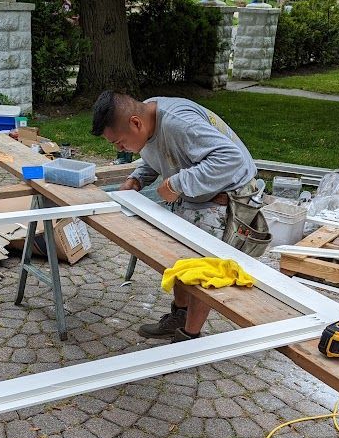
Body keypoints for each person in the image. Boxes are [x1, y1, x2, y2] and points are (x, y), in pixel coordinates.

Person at [91, 90, 258, 343]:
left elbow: (230, 159)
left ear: (135, 123)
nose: (120, 148)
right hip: (195, 195)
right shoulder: (146, 120)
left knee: (202, 269)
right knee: (180, 259)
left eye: (118, 142)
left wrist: (178, 183)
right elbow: (156, 153)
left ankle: (188, 337)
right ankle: (179, 317)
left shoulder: (180, 124)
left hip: (225, 196)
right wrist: (137, 178)